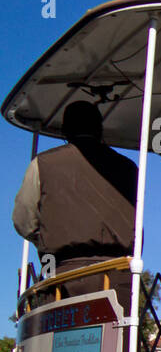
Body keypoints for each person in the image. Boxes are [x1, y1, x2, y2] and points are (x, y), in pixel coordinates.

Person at [13, 100, 137, 306]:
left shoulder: (43, 163)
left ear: (65, 130)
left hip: (64, 275)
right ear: (99, 129)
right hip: (117, 275)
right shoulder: (129, 168)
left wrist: (46, 237)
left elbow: (22, 220)